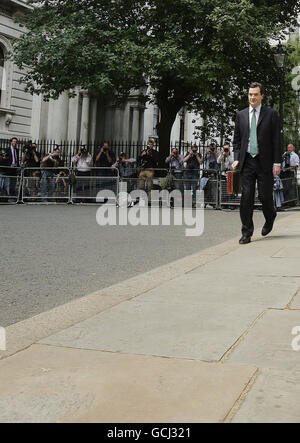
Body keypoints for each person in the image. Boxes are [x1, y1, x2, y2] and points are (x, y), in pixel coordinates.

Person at [233, 82, 281, 245]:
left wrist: (277, 162)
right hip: (247, 161)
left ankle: (270, 216)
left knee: (265, 196)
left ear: (262, 96)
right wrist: (236, 157)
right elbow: (237, 141)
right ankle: (246, 232)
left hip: (265, 162)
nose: (252, 97)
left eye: (255, 94)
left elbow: (276, 140)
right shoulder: (241, 115)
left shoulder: (271, 114)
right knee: (246, 197)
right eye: (250, 94)